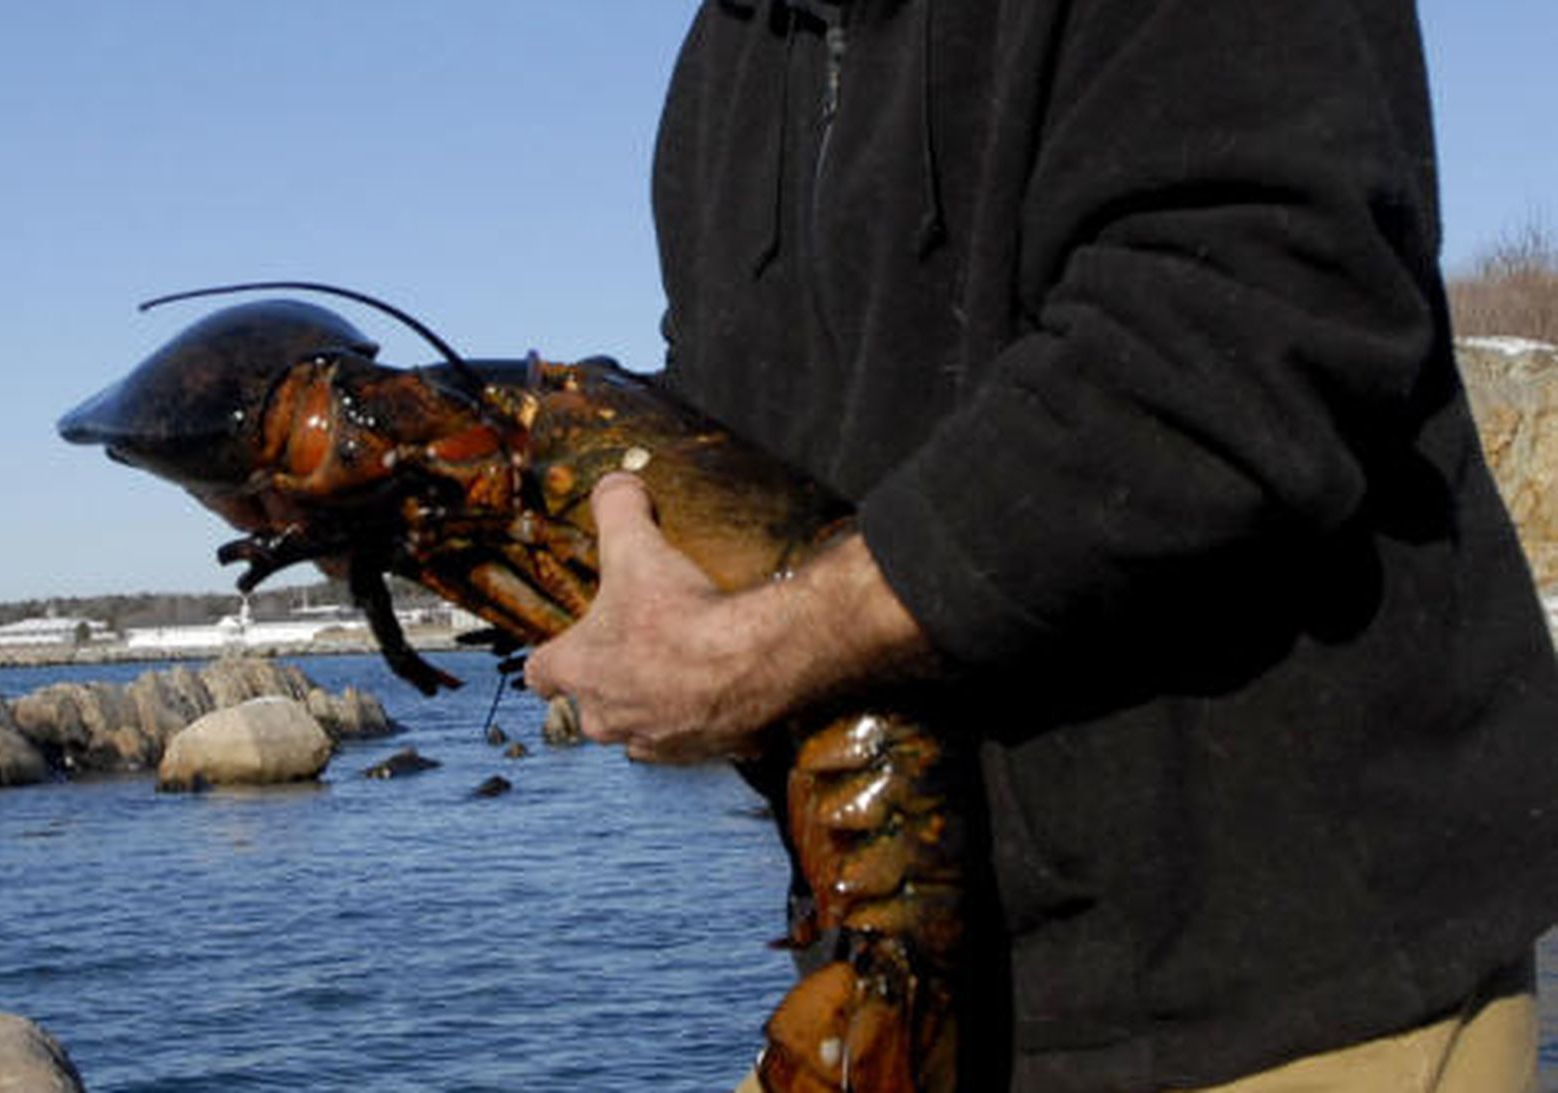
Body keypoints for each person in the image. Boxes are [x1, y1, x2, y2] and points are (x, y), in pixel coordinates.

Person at [526, 1, 1558, 1089]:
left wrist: (763, 649)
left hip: (1292, 989)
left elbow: (1238, 336)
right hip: (901, 1009)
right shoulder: (726, 58)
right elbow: (730, 443)